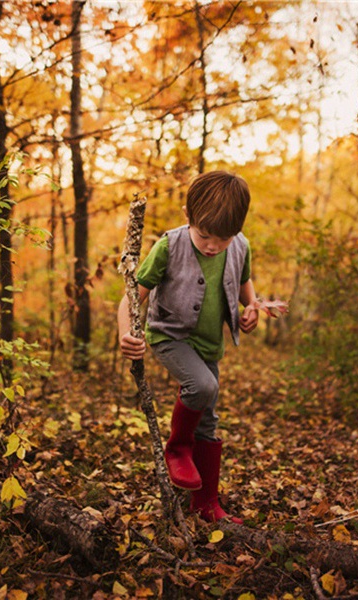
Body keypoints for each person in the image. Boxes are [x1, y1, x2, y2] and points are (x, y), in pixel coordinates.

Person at [117, 171, 260, 524]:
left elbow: (244, 282)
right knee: (203, 386)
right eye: (205, 236)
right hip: (170, 336)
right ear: (187, 216)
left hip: (209, 345)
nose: (213, 246)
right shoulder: (170, 245)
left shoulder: (240, 246)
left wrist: (252, 307)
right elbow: (132, 296)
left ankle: (205, 503)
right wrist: (127, 333)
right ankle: (177, 448)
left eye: (223, 239)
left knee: (208, 422)